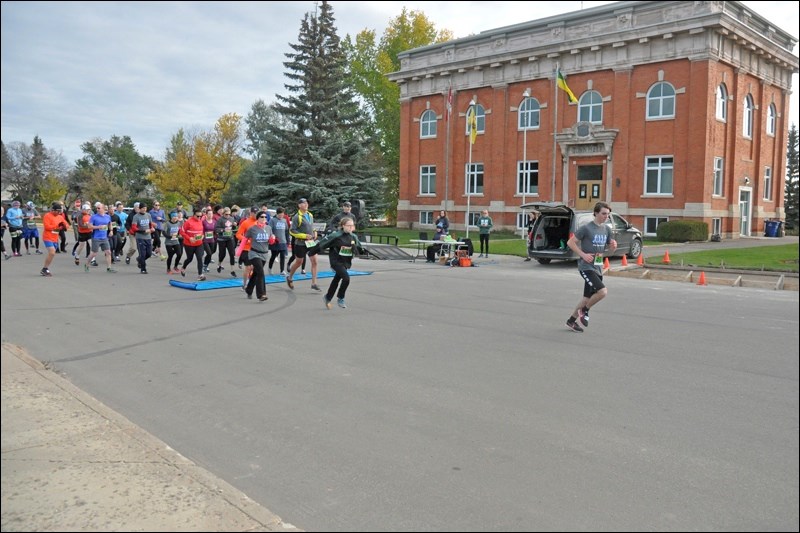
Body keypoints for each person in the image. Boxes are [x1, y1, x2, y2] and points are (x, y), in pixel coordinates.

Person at [565, 201, 617, 333]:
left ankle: (571, 320)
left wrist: (613, 245)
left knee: (587, 298)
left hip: (598, 265)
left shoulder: (607, 229)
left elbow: (608, 247)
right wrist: (583, 254)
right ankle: (585, 310)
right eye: (603, 213)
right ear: (596, 213)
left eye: (608, 214)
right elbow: (570, 242)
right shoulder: (586, 228)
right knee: (602, 291)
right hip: (586, 267)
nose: (606, 216)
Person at [310, 215, 362, 309]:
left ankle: (327, 297)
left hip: (346, 261)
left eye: (352, 225)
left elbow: (360, 248)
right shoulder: (336, 235)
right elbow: (323, 243)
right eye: (348, 225)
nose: (351, 227)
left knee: (336, 280)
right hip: (336, 261)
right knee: (346, 278)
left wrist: (357, 249)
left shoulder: (353, 236)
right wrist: (312, 252)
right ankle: (341, 298)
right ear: (343, 226)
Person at [286, 198, 320, 291]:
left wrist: (315, 231)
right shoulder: (297, 217)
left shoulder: (310, 215)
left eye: (306, 203)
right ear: (299, 205)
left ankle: (314, 283)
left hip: (310, 242)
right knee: (299, 262)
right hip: (300, 243)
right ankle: (289, 278)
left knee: (315, 261)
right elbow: (292, 231)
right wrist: (304, 236)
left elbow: (311, 226)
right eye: (303, 203)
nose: (306, 204)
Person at [241, 211, 274, 301]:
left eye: (265, 217)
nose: (264, 219)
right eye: (262, 217)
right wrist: (239, 251)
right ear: (258, 218)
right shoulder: (252, 229)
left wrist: (272, 239)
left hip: (264, 253)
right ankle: (261, 294)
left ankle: (249, 290)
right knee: (261, 272)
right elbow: (245, 239)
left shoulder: (268, 228)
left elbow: (270, 242)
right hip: (254, 253)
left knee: (256, 274)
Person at [40, 202, 70, 276]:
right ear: (53, 210)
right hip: (47, 237)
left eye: (60, 211)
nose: (59, 212)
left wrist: (64, 226)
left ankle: (45, 268)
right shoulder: (47, 216)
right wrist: (57, 227)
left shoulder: (60, 217)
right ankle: (45, 269)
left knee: (52, 254)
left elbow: (66, 224)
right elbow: (47, 227)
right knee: (52, 252)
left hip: (55, 238)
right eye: (58, 211)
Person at [85, 203, 116, 273]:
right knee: (94, 253)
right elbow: (89, 226)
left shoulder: (107, 216)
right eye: (97, 208)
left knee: (108, 252)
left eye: (99, 208)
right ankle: (87, 264)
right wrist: (98, 227)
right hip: (96, 237)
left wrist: (111, 231)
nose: (97, 209)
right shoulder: (94, 217)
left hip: (104, 237)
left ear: (103, 209)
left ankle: (109, 268)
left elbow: (110, 224)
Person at [179, 205, 206, 280]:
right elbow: (181, 232)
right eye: (198, 216)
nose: (199, 218)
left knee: (200, 258)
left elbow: (201, 231)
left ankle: (200, 274)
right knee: (189, 259)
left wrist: (202, 235)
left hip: (199, 243)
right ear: (193, 215)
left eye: (201, 216)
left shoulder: (200, 221)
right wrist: (189, 238)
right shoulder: (188, 222)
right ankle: (183, 267)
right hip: (189, 244)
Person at [130, 202, 155, 274]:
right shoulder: (136, 216)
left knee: (149, 253)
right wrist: (143, 230)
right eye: (143, 208)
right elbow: (134, 228)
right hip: (140, 237)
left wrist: (152, 228)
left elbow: (150, 224)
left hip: (148, 237)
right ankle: (143, 269)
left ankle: (139, 259)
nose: (144, 209)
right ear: (140, 209)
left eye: (145, 208)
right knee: (143, 254)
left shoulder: (148, 215)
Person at [214, 207, 238, 277]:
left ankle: (232, 270)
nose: (228, 216)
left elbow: (233, 228)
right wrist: (224, 230)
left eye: (229, 214)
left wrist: (234, 226)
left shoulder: (231, 218)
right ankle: (219, 264)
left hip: (230, 238)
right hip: (222, 239)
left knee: (232, 253)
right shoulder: (220, 220)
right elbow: (216, 229)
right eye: (226, 214)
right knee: (222, 254)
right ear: (223, 214)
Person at [267, 206, 289, 275]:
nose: (281, 216)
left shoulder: (284, 220)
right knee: (274, 256)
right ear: (277, 214)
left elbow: (286, 231)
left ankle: (282, 270)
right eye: (280, 215)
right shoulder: (272, 220)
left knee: (282, 256)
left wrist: (287, 240)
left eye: (282, 215)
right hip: (275, 241)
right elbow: (269, 230)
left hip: (283, 241)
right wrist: (272, 236)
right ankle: (270, 268)